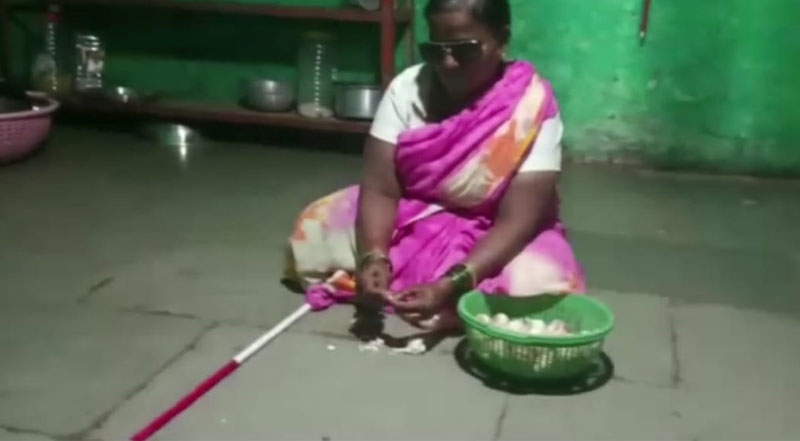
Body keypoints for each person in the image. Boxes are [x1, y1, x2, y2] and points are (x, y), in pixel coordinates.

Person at [285, 0, 585, 333]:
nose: (448, 63)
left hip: (496, 230)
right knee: (317, 225)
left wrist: (452, 282)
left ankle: (445, 293)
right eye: (435, 50)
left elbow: (518, 219)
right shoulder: (406, 89)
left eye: (464, 50)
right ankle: (445, 300)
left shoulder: (531, 104)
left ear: (501, 40)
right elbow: (381, 188)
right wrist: (374, 257)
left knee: (540, 278)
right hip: (416, 214)